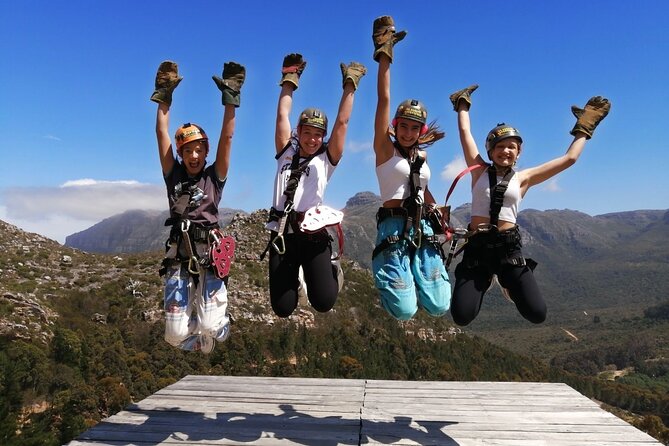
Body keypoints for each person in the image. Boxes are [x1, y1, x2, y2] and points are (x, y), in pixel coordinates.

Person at [448, 84, 610, 325]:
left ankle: (507, 283)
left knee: (537, 314)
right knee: (462, 316)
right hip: (477, 251)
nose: (505, 151)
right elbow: (465, 132)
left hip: (508, 250)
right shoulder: (478, 170)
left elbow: (569, 159)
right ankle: (486, 279)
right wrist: (462, 104)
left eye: (511, 147)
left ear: (518, 152)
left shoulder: (524, 178)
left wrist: (585, 127)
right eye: (500, 146)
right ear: (490, 151)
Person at [150, 60, 245, 352]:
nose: (193, 155)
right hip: (179, 257)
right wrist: (164, 96)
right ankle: (197, 334)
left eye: (199, 150)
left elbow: (227, 139)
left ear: (205, 151)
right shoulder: (174, 176)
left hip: (211, 256)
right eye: (187, 150)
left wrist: (230, 101)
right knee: (175, 334)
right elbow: (161, 134)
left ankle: (214, 325)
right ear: (180, 154)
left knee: (212, 327)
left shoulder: (213, 178)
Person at [264, 53, 366, 318]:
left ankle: (331, 268)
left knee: (323, 302)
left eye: (318, 134)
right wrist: (290, 79)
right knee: (283, 309)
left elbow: (342, 123)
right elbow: (281, 113)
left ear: (324, 137)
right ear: (299, 131)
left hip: (313, 234)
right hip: (283, 233)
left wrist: (350, 86)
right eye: (307, 132)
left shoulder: (327, 158)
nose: (311, 139)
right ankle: (297, 277)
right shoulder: (286, 150)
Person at [371, 16, 451, 321]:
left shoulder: (422, 158)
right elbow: (384, 99)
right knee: (404, 311)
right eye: (402, 126)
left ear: (422, 130)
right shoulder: (385, 150)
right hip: (392, 226)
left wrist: (438, 212)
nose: (407, 132)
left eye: (414, 128)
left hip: (423, 225)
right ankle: (390, 280)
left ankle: (417, 278)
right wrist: (385, 56)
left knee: (439, 305)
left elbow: (423, 189)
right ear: (395, 126)